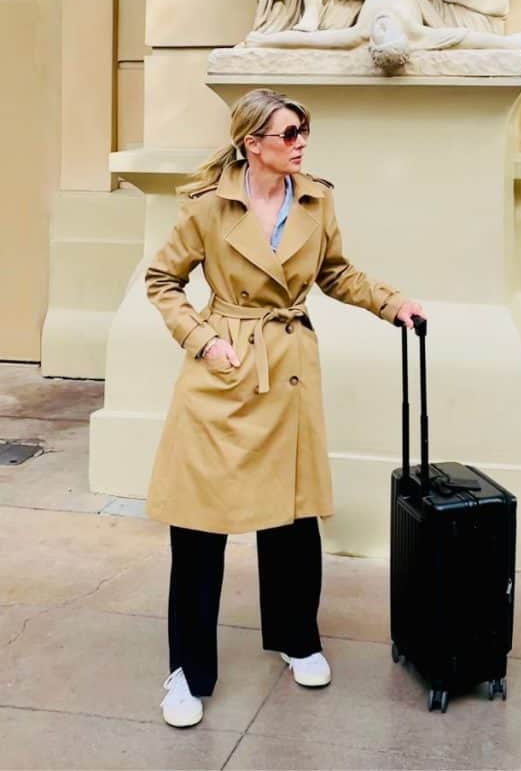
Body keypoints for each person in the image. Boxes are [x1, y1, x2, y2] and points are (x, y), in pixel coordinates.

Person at [145, 89, 425, 727]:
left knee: (292, 516)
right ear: (253, 144)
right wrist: (203, 339)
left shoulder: (315, 198)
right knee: (199, 526)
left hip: (290, 366)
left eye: (305, 131)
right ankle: (187, 671)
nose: (301, 142)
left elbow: (335, 273)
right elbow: (162, 280)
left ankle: (296, 639)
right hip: (223, 368)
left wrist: (390, 303)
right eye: (290, 132)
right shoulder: (206, 205)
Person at [248, 0, 521, 73]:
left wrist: (266, 40)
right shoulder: (417, 34)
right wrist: (509, 44)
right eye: (387, 32)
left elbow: (309, 41)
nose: (380, 27)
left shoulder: (359, 35)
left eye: (378, 36)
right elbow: (468, 38)